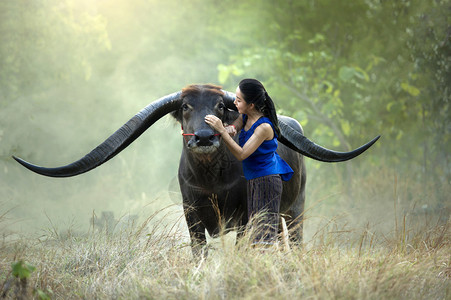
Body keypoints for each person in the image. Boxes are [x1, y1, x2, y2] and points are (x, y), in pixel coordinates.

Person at [205, 78, 293, 247]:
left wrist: (222, 130)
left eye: (239, 100)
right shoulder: (245, 116)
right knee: (255, 231)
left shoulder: (264, 128)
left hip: (267, 182)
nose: (235, 103)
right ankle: (261, 268)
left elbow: (242, 154)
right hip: (254, 181)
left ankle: (266, 270)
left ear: (251, 105)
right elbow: (237, 124)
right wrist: (231, 128)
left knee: (263, 237)